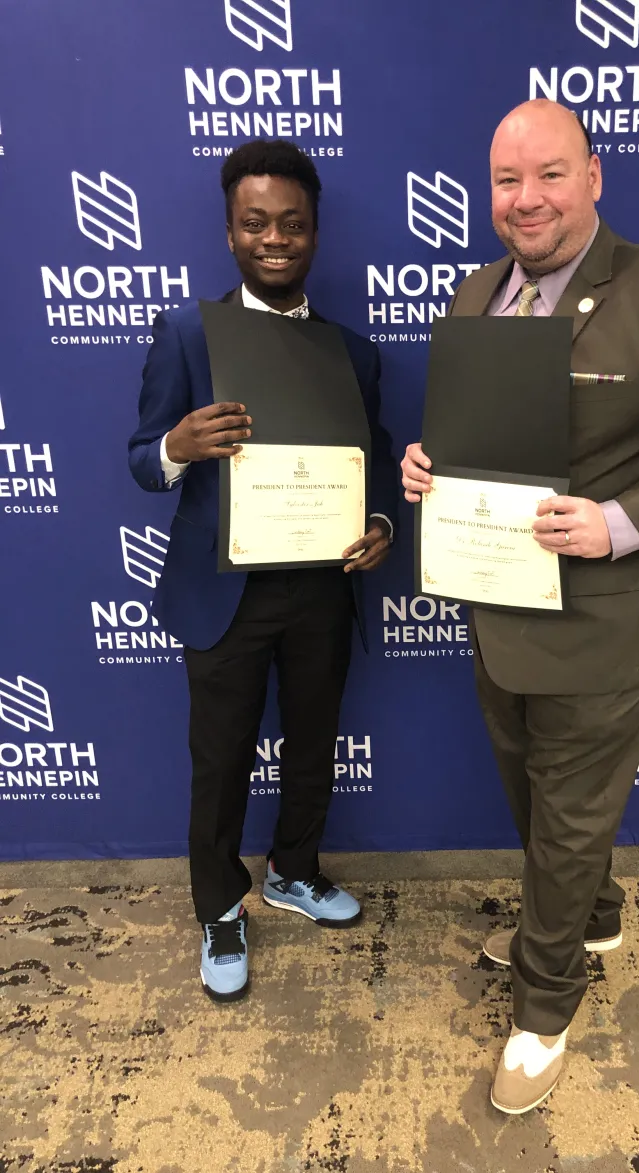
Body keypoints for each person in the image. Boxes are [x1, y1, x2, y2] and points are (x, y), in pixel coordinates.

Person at [401, 100, 639, 1115]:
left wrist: (615, 520)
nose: (524, 200)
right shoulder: (476, 291)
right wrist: (431, 465)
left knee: (564, 825)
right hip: (498, 609)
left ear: (594, 175)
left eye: (548, 175)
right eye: (505, 181)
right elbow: (480, 436)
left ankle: (543, 1003)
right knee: (539, 805)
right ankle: (590, 914)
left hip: (605, 624)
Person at [129, 140, 397, 1004]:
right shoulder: (186, 334)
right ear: (231, 230)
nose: (273, 238)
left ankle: (295, 869)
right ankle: (219, 903)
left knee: (315, 739)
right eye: (255, 223)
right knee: (221, 758)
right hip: (224, 589)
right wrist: (178, 446)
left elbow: (378, 462)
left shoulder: (351, 354)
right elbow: (139, 460)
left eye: (291, 223)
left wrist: (383, 520)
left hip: (322, 582)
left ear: (315, 233)